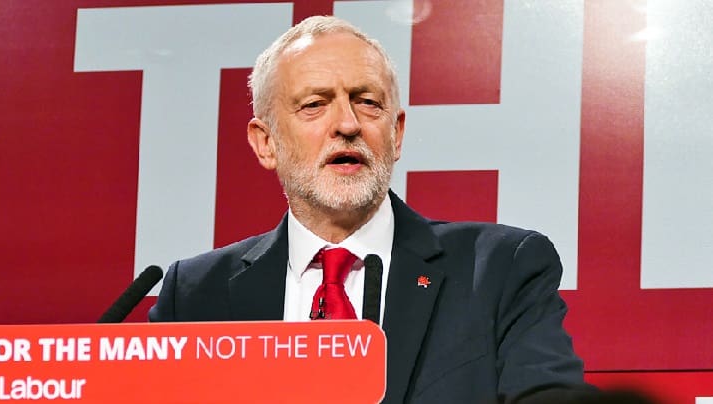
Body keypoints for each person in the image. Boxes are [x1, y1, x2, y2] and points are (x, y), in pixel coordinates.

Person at [150, 15, 593, 403]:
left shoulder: (498, 270)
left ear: (397, 134)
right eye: (314, 105)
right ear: (265, 143)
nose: (347, 124)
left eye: (367, 102)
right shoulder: (194, 295)